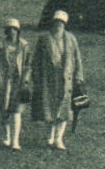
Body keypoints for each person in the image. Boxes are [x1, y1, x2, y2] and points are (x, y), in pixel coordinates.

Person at [29, 9, 84, 150]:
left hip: (66, 78)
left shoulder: (71, 39)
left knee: (64, 109)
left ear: (65, 25)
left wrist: (79, 76)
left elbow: (77, 59)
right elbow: (36, 61)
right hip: (49, 79)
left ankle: (59, 139)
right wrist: (36, 78)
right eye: (56, 22)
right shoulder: (44, 39)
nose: (59, 25)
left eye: (62, 23)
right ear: (52, 23)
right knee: (50, 108)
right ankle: (50, 136)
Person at [0, 18, 32, 149]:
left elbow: (28, 65)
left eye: (15, 29)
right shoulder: (0, 45)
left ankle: (15, 141)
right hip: (4, 81)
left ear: (18, 31)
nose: (12, 32)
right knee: (4, 110)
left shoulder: (24, 45)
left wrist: (25, 80)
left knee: (16, 111)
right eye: (9, 29)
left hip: (18, 82)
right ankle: (7, 135)